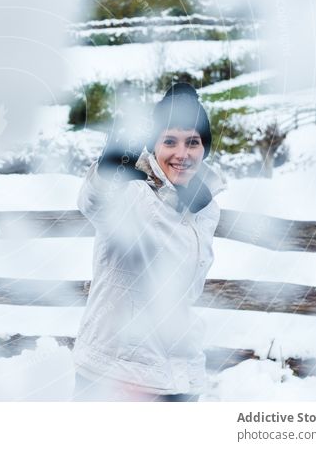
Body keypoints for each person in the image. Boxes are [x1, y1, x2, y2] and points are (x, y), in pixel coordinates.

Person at [72, 83, 226, 402]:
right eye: (169, 141)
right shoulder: (133, 193)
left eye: (193, 142)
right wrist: (107, 169)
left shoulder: (205, 209)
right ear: (154, 144)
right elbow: (94, 202)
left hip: (180, 376)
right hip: (116, 376)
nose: (182, 154)